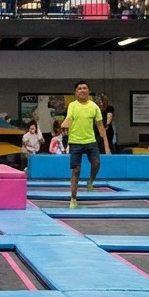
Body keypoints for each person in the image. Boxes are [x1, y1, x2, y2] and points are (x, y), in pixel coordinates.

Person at [61, 81, 111, 209]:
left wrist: (106, 146)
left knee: (96, 163)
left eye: (84, 88)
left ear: (88, 91)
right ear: (76, 92)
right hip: (75, 142)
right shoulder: (72, 105)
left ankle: (90, 181)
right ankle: (73, 198)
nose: (82, 90)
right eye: (79, 88)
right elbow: (69, 118)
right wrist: (64, 124)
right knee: (76, 170)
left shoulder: (94, 107)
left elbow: (100, 126)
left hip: (90, 141)